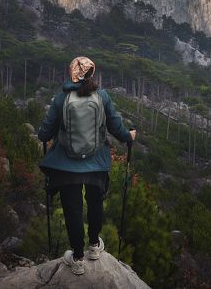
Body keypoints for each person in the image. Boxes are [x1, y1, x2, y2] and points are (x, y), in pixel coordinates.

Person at [38, 56, 136, 275]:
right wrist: (129, 136)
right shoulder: (102, 97)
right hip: (96, 163)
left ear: (71, 74)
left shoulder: (61, 98)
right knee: (95, 202)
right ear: (92, 73)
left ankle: (78, 258)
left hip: (65, 166)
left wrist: (45, 132)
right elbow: (116, 127)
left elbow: (44, 133)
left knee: (72, 210)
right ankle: (94, 246)